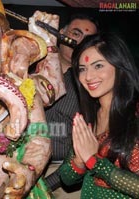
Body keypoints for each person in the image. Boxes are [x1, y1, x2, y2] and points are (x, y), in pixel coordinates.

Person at [59, 32, 139, 198]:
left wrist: (93, 161)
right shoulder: (89, 117)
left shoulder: (135, 117)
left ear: (120, 66)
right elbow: (67, 178)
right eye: (82, 69)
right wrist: (80, 161)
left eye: (98, 66)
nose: (88, 77)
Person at [43, 13, 100, 198]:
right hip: (20, 161)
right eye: (76, 34)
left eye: (87, 39)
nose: (80, 42)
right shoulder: (29, 68)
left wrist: (43, 186)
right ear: (61, 33)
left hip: (63, 173)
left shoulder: (90, 86)